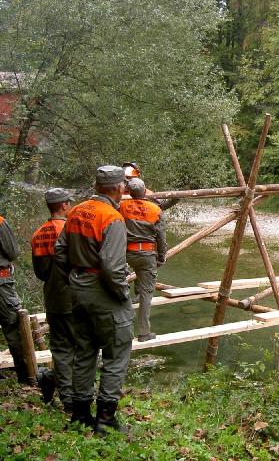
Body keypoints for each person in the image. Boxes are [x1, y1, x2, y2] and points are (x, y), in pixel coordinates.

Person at [55, 166, 133, 433]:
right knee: (116, 352)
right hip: (103, 292)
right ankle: (106, 418)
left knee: (84, 351)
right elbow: (112, 267)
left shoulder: (75, 211)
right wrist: (122, 292)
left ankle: (80, 413)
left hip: (78, 289)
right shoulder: (112, 218)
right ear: (119, 188)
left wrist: (73, 279)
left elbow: (60, 251)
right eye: (123, 185)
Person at [31, 188, 75, 411]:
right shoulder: (71, 230)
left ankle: (51, 379)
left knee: (60, 348)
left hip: (52, 297)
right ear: (64, 206)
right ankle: (70, 399)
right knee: (80, 349)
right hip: (74, 298)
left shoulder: (38, 233)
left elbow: (40, 273)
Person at [119, 178, 167, 342]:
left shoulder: (122, 206)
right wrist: (161, 256)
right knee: (147, 293)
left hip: (126, 254)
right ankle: (144, 333)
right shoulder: (155, 210)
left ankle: (121, 329)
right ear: (145, 191)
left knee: (119, 286)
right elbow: (161, 237)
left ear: (129, 192)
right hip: (147, 254)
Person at [0, 214, 29, 384]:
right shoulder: (0, 222)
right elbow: (13, 251)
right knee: (13, 327)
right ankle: (24, 376)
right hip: (1, 282)